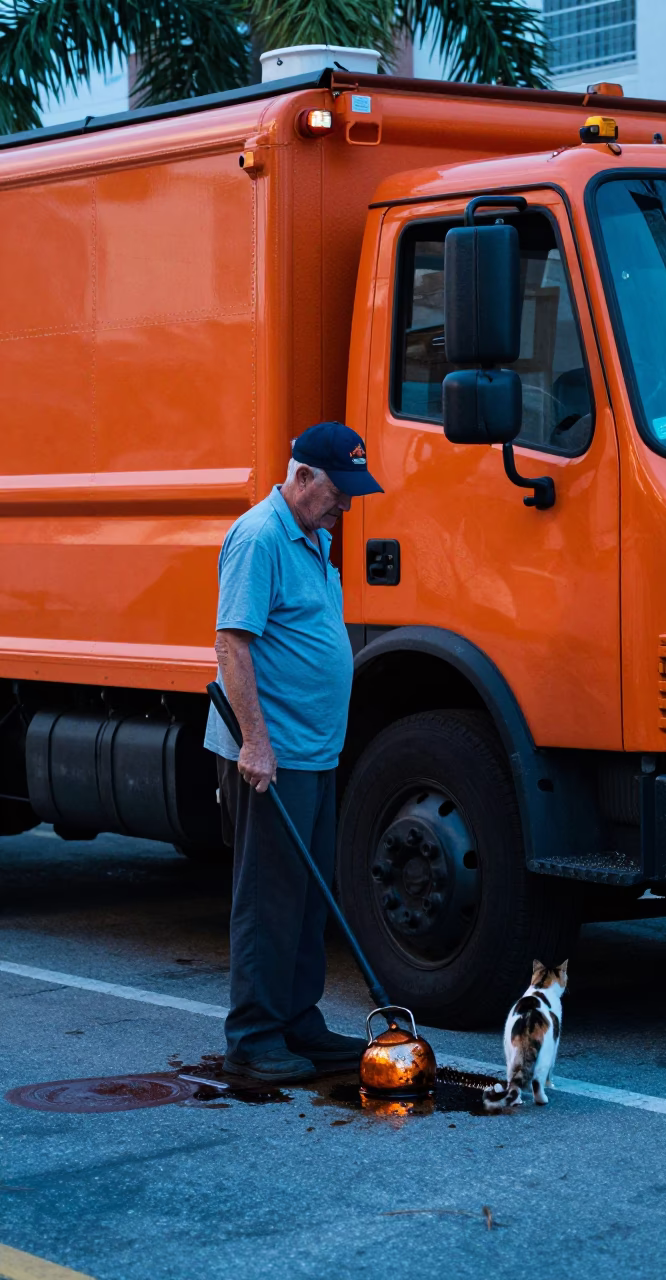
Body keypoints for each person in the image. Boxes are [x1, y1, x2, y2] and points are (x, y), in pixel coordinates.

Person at [205, 421, 384, 1084]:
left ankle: (298, 1022)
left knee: (309, 896)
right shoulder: (259, 536)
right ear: (303, 476)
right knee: (269, 897)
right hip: (272, 758)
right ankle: (252, 1038)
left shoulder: (315, 537)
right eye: (340, 490)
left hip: (314, 752)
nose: (347, 503)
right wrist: (255, 743)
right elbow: (234, 645)